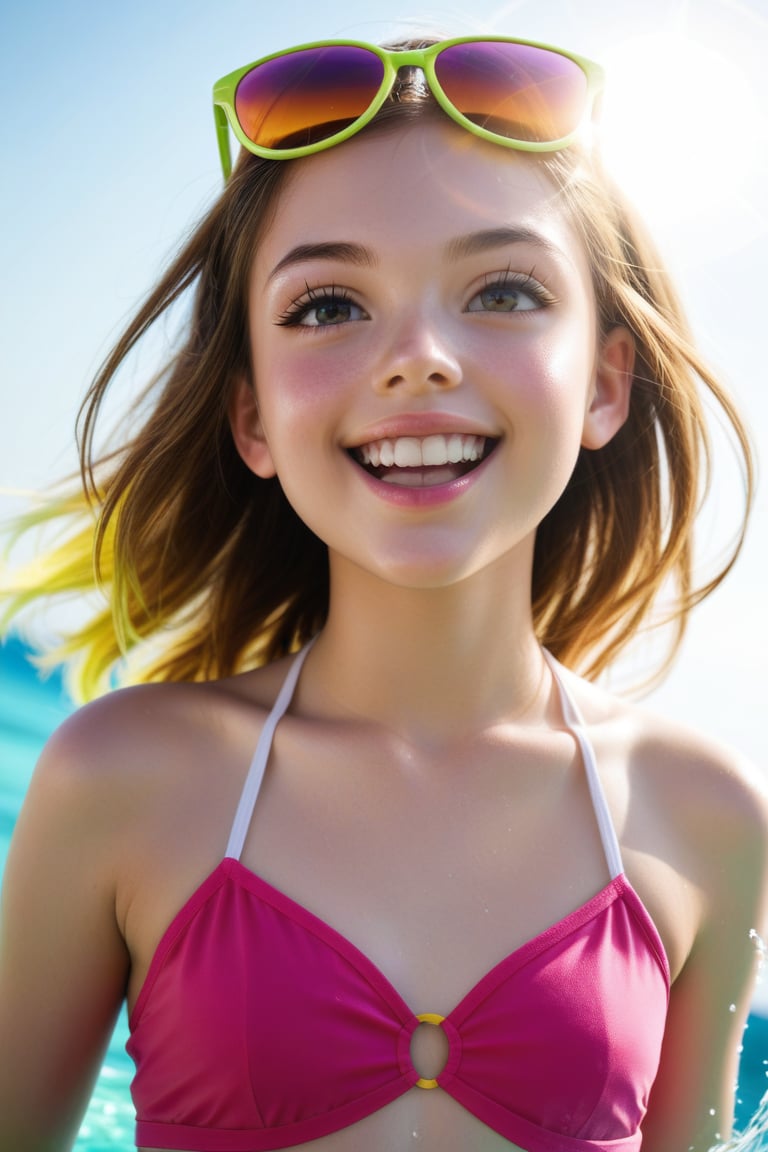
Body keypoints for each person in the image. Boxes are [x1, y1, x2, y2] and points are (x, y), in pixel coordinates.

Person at [0, 33, 766, 1152]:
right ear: (252, 414)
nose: (418, 357)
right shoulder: (121, 780)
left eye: (502, 290)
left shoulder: (707, 819)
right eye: (328, 306)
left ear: (605, 384)